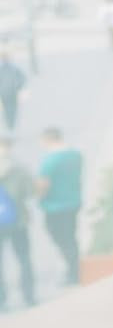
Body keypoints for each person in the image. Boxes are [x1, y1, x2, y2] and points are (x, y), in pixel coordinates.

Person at [36, 128, 81, 287]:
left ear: (48, 140)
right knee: (71, 237)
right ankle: (75, 270)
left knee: (61, 238)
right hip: (73, 202)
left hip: (55, 206)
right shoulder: (76, 155)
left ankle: (73, 273)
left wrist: (38, 197)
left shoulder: (50, 161)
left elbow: (43, 185)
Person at [0, 137, 36, 309]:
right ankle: (28, 295)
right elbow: (30, 192)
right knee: (24, 259)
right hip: (18, 221)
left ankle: (1, 299)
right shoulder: (19, 169)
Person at [0, 56, 24, 133]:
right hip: (11, 92)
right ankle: (11, 124)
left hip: (5, 92)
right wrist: (19, 86)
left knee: (8, 109)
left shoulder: (10, 69)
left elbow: (21, 78)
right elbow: (22, 78)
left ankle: (10, 124)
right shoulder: (14, 68)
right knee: (12, 109)